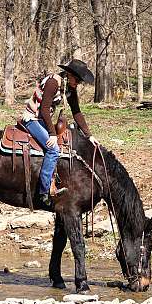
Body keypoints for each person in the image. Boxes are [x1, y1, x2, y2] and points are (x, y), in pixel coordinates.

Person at [22, 59, 100, 209]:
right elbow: (44, 109)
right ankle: (44, 192)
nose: (78, 83)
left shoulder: (68, 88)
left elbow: (76, 112)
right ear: (69, 74)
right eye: (77, 79)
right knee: (53, 149)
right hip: (32, 119)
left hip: (42, 120)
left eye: (80, 81)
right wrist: (51, 133)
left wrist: (89, 135)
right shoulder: (53, 82)